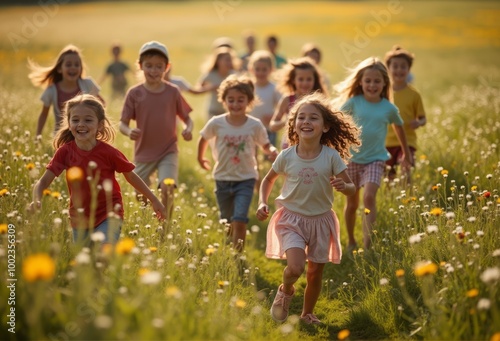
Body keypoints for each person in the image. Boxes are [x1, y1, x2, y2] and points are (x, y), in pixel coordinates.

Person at [256, 92, 360, 324]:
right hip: (291, 220)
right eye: (301, 117)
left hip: (321, 221)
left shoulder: (331, 157)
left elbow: (352, 188)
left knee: (314, 273)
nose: (306, 122)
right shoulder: (287, 156)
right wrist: (262, 201)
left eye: (313, 118)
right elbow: (268, 179)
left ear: (325, 127)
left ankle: (307, 314)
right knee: (295, 267)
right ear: (294, 124)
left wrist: (345, 186)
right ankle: (286, 290)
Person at [29, 94, 166, 245]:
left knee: (103, 253)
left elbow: (131, 176)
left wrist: (154, 200)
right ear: (68, 123)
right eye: (75, 120)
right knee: (86, 263)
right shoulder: (65, 152)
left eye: (88, 120)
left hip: (109, 213)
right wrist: (36, 200)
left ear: (100, 125)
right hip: (79, 217)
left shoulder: (109, 153)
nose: (81, 124)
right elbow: (43, 182)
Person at [334, 57, 412, 251]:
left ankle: (368, 245)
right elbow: (336, 121)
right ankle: (352, 240)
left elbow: (399, 127)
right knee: (352, 204)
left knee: (369, 197)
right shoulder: (353, 102)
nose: (372, 85)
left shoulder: (388, 107)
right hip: (351, 160)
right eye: (368, 81)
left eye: (377, 81)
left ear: (385, 83)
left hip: (376, 160)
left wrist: (406, 154)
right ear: (360, 82)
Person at [198, 74, 278, 252]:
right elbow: (203, 138)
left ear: (249, 101)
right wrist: (200, 157)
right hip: (222, 177)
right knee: (226, 220)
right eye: (231, 100)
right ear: (223, 100)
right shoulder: (217, 123)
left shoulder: (254, 125)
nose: (235, 104)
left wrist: (272, 151)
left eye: (240, 100)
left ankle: (237, 255)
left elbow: (265, 144)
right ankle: (230, 239)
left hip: (246, 178)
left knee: (240, 219)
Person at [120, 41, 194, 221]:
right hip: (143, 152)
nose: (154, 71)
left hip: (168, 150)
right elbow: (122, 123)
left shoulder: (173, 92)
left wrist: (188, 129)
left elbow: (188, 119)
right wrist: (129, 131)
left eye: (159, 66)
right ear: (140, 66)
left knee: (168, 188)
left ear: (166, 68)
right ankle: (150, 217)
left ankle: (165, 226)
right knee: (140, 194)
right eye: (149, 66)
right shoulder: (134, 93)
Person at [28, 44, 102, 137]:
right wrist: (38, 136)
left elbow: (101, 105)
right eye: (68, 64)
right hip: (63, 137)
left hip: (86, 135)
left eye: (77, 65)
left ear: (81, 68)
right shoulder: (52, 90)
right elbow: (44, 114)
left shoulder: (88, 84)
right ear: (59, 68)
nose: (73, 67)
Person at [384, 46, 426, 183]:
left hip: (407, 141)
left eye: (403, 67)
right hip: (386, 141)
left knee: (405, 167)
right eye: (395, 66)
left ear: (409, 70)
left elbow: (423, 118)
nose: (399, 70)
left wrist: (418, 123)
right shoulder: (383, 94)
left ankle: (406, 195)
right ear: (388, 69)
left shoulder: (414, 95)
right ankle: (391, 199)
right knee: (389, 176)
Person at [269, 57, 326, 150]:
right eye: (301, 79)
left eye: (309, 79)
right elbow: (272, 125)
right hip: (289, 146)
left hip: (313, 147)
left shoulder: (319, 101)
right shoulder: (287, 99)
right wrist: (285, 122)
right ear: (293, 80)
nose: (305, 83)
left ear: (314, 80)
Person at [248, 50, 282, 147]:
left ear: (271, 70)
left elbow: (281, 106)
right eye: (257, 69)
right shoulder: (248, 87)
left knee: (269, 154)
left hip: (269, 128)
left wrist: (273, 116)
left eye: (264, 69)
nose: (261, 72)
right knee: (251, 154)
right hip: (250, 127)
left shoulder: (274, 88)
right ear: (251, 69)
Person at [196, 46, 239, 119]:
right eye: (227, 60)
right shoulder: (211, 74)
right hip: (213, 112)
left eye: (230, 60)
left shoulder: (234, 75)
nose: (229, 62)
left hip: (228, 112)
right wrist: (211, 87)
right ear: (218, 61)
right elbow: (198, 89)